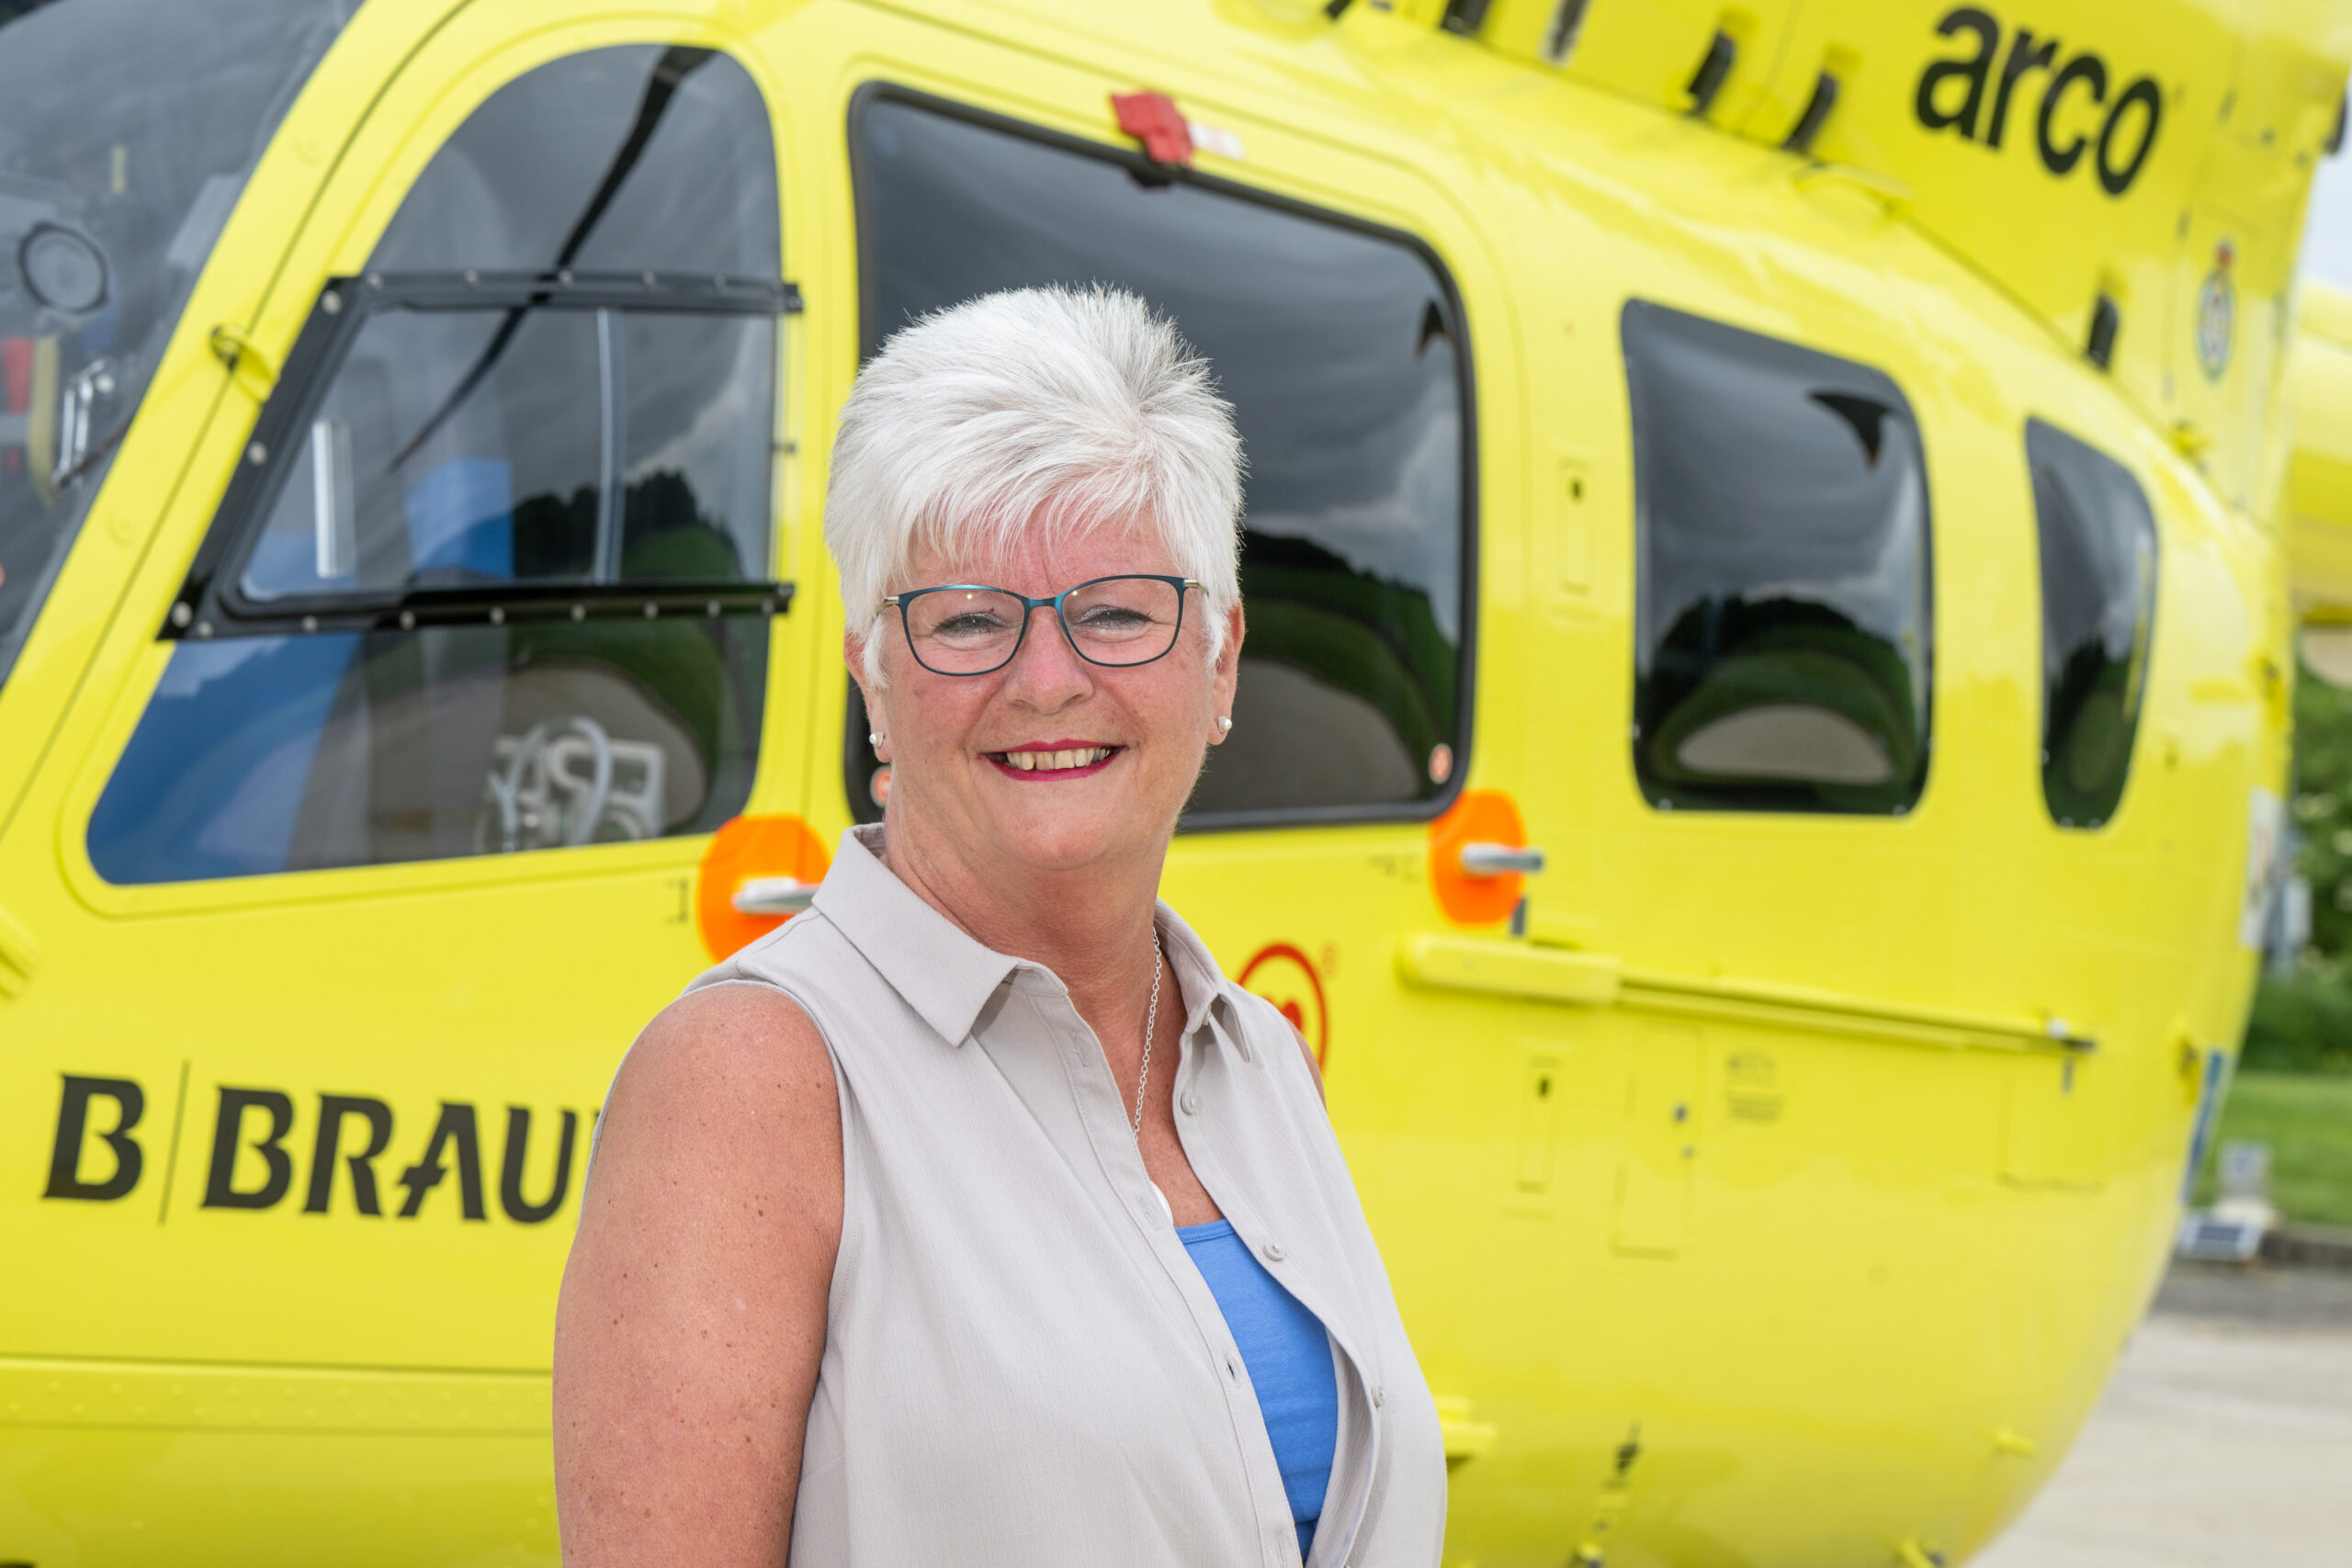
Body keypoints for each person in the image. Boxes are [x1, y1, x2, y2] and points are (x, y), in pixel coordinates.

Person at [552, 285, 1446, 1566]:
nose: (1045, 680)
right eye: (967, 619)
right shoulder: (753, 1080)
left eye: (1119, 610)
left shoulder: (1261, 1065)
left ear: (1222, 658)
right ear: (870, 668)